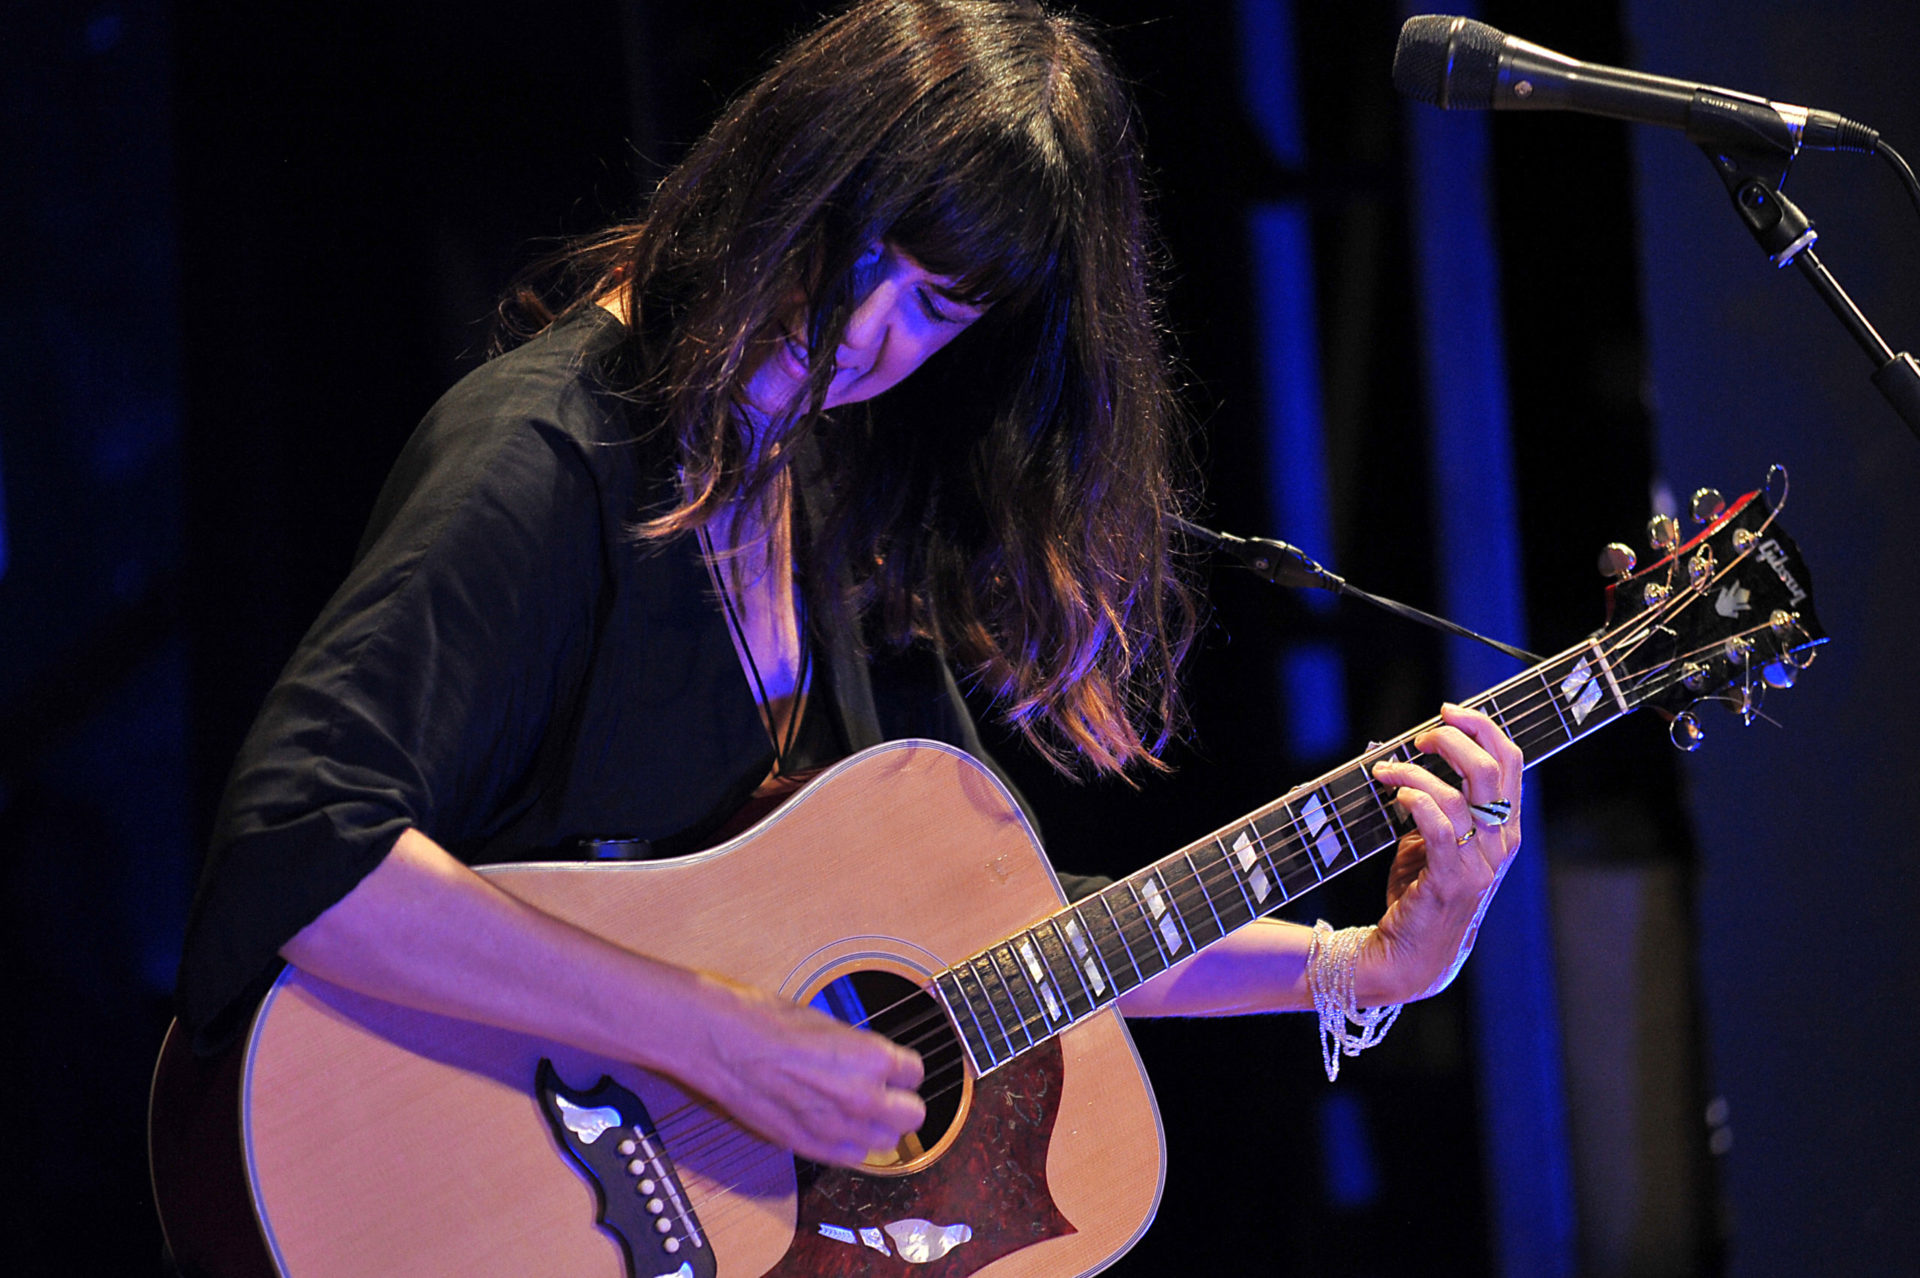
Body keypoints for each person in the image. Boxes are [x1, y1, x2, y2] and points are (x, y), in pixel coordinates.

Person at [176, 0, 1523, 1172]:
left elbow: (977, 945)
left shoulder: (823, 486)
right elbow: (300, 852)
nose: (860, 328)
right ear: (787, 175)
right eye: (858, 249)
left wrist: (1361, 964)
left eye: (933, 310)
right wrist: (720, 1031)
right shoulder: (545, 453)